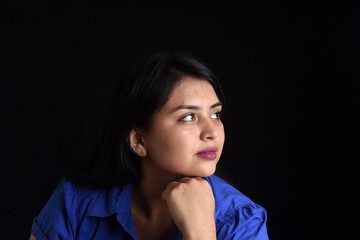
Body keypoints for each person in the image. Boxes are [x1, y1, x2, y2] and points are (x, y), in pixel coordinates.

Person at [29, 50, 269, 240]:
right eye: (188, 117)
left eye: (216, 114)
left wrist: (200, 233)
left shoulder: (240, 220)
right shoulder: (76, 202)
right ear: (139, 140)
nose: (212, 132)